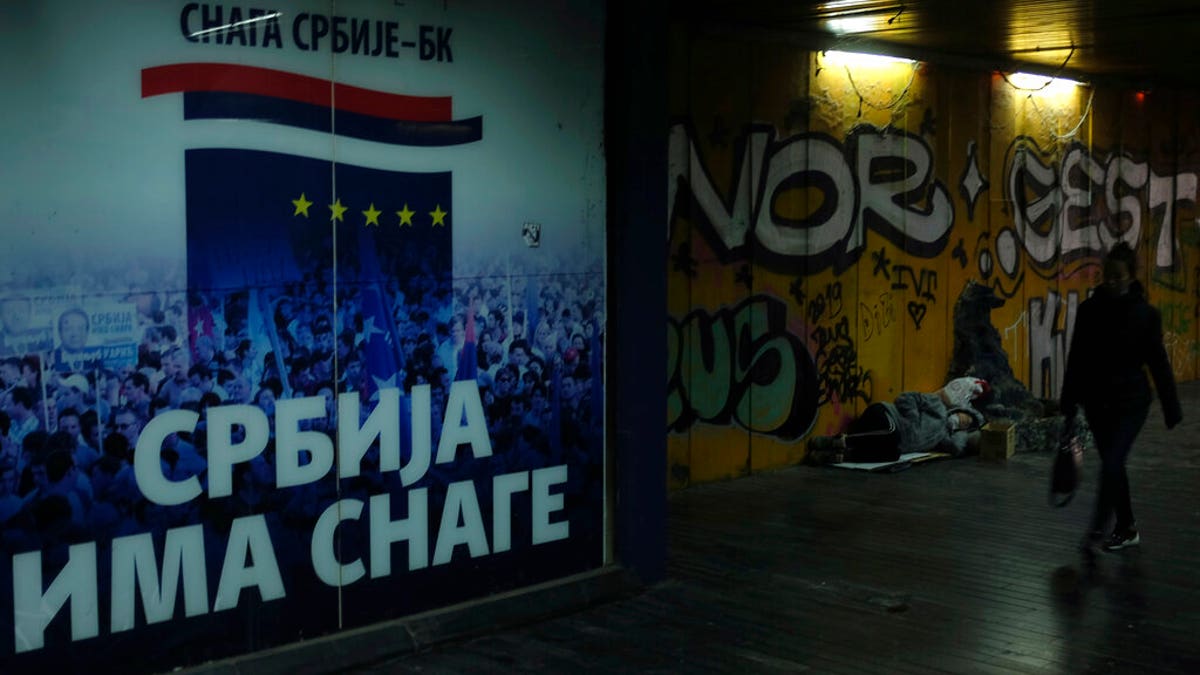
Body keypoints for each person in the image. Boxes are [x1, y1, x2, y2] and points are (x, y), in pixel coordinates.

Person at [1060, 242, 1181, 553]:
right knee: (1114, 465)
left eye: (1117, 277)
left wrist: (1171, 406)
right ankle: (1126, 527)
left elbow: (1158, 361)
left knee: (1112, 462)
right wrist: (1069, 401)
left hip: (1131, 403)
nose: (1111, 282)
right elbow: (1078, 358)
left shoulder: (1145, 315)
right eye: (1106, 276)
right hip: (1097, 403)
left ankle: (1098, 526)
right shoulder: (1089, 312)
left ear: (1131, 277)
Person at [806, 377, 990, 465]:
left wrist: (965, 433)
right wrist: (911, 421)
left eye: (967, 424)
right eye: (965, 418)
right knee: (890, 433)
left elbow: (957, 448)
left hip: (894, 439)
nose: (964, 422)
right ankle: (835, 441)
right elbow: (905, 398)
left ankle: (838, 457)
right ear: (958, 410)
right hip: (885, 415)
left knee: (892, 455)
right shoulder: (937, 406)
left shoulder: (943, 437)